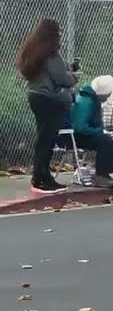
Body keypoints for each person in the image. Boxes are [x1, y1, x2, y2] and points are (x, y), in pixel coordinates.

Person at [18, 19, 79, 193]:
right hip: (49, 98)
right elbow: (62, 78)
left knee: (43, 138)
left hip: (35, 96)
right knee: (47, 139)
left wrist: (67, 67)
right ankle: (41, 178)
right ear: (54, 34)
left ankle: (42, 176)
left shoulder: (33, 51)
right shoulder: (51, 53)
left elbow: (55, 70)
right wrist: (75, 76)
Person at [69, 75, 113, 187]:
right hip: (77, 137)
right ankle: (101, 175)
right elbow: (79, 127)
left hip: (85, 134)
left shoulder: (92, 100)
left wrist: (101, 131)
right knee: (105, 140)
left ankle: (108, 173)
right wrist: (100, 132)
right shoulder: (86, 102)